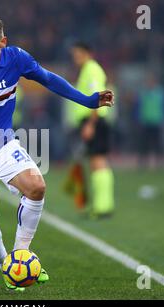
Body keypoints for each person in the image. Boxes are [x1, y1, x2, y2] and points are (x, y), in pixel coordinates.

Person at [0, 16, 114, 292]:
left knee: (36, 187)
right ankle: (6, 267)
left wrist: (87, 100)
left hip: (3, 144)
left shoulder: (17, 59)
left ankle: (21, 256)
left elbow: (49, 79)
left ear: (3, 42)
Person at [64, 42, 115, 219]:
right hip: (93, 121)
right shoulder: (88, 69)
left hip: (95, 121)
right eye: (74, 54)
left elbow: (98, 98)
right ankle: (102, 205)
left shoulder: (92, 69)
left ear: (88, 53)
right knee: (96, 162)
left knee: (98, 161)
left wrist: (90, 124)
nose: (76, 58)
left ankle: (103, 207)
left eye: (78, 54)